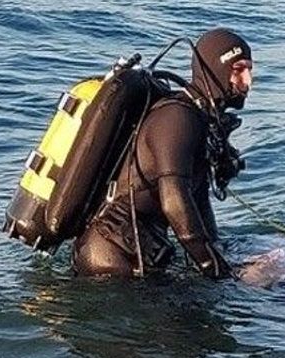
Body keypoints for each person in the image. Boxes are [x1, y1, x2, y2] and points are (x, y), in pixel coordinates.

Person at [73, 28, 253, 278]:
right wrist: (215, 269)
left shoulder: (201, 121)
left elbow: (198, 201)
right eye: (238, 70)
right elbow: (174, 200)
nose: (248, 81)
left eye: (249, 70)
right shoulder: (177, 119)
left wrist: (218, 251)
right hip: (109, 260)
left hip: (139, 251)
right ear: (214, 69)